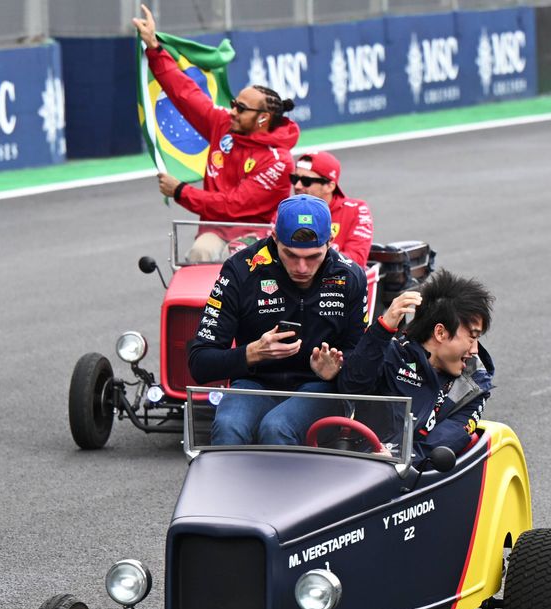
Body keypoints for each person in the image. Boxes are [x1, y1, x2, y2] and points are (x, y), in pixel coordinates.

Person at [188, 194, 368, 445]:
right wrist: (252, 353)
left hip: (318, 386)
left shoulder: (350, 276)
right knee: (229, 425)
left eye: (313, 257)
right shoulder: (240, 270)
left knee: (277, 428)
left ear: (330, 241)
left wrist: (337, 369)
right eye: (291, 255)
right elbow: (199, 363)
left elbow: (363, 361)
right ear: (274, 238)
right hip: (255, 383)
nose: (302, 268)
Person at [132, 5, 298, 262]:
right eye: (234, 104)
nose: (232, 111)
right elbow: (185, 93)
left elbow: (234, 205)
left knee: (237, 258)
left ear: (263, 118)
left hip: (258, 234)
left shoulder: (279, 161)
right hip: (216, 229)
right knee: (200, 253)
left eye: (241, 108)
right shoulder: (223, 123)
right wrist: (154, 48)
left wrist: (180, 191)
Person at [337, 271, 495, 460]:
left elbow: (445, 439)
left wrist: (400, 458)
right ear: (440, 333)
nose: (475, 350)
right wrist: (381, 331)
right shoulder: (392, 354)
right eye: (472, 337)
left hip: (411, 472)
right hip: (358, 462)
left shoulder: (474, 384)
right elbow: (351, 388)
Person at [286, 151, 373, 267]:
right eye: (294, 178)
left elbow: (356, 260)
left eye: (306, 181)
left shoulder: (357, 210)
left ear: (329, 186)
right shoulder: (286, 209)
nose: (297, 186)